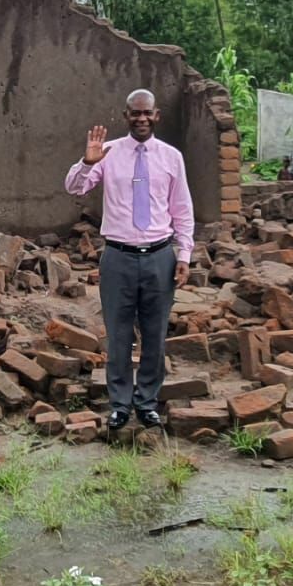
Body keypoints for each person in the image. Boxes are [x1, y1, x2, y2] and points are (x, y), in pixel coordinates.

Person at [64, 88, 194, 430]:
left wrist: (185, 254)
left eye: (146, 112)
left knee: (155, 334)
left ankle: (147, 402)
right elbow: (74, 188)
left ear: (156, 116)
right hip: (118, 258)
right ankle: (120, 405)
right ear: (126, 116)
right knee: (119, 336)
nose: (141, 118)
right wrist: (86, 163)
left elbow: (181, 209)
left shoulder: (171, 157)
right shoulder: (107, 154)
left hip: (160, 257)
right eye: (134, 113)